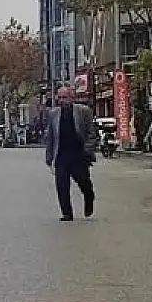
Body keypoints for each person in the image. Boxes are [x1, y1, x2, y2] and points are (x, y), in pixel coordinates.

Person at [44, 86, 97, 221]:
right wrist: (49, 156)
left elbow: (92, 134)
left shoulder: (83, 112)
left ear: (72, 98)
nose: (61, 100)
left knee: (84, 183)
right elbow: (50, 136)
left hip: (79, 154)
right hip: (61, 155)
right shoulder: (53, 114)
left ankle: (89, 198)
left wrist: (87, 150)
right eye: (59, 97)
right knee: (62, 185)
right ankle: (67, 213)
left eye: (65, 97)